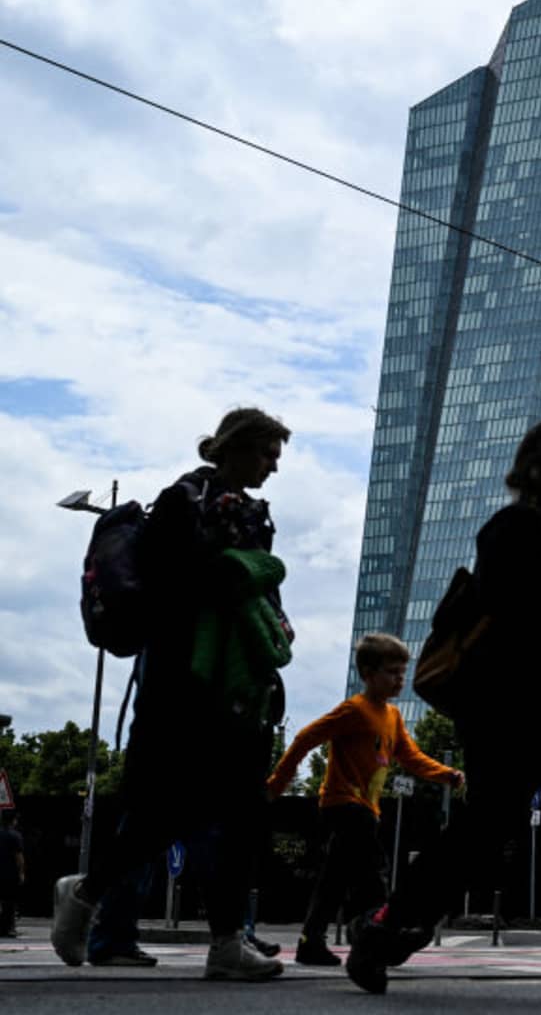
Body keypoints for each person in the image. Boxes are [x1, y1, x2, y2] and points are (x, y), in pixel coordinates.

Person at [345, 420, 541, 1008]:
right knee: (490, 826)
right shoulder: (516, 526)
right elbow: (504, 610)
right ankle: (386, 929)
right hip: (507, 705)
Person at [51, 407, 294, 981]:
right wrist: (240, 571)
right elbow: (170, 587)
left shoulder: (254, 514)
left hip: (235, 681)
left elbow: (258, 594)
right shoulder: (184, 500)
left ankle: (227, 943)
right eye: (266, 454)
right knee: (164, 810)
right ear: (234, 447)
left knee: (238, 811)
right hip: (179, 678)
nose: (272, 468)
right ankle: (87, 893)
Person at [267, 633, 465, 967]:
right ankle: (376, 927)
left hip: (366, 808)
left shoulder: (392, 717)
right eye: (392, 672)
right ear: (368, 674)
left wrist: (445, 773)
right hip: (342, 804)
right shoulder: (353, 711)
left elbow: (411, 756)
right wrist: (277, 783)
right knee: (373, 868)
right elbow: (306, 737)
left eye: (403, 673)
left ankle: (310, 941)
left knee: (335, 878)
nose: (399, 680)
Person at [0, 812, 22, 938]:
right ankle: (8, 928)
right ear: (13, 821)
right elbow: (19, 856)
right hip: (10, 874)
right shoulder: (15, 836)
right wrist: (21, 872)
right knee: (9, 903)